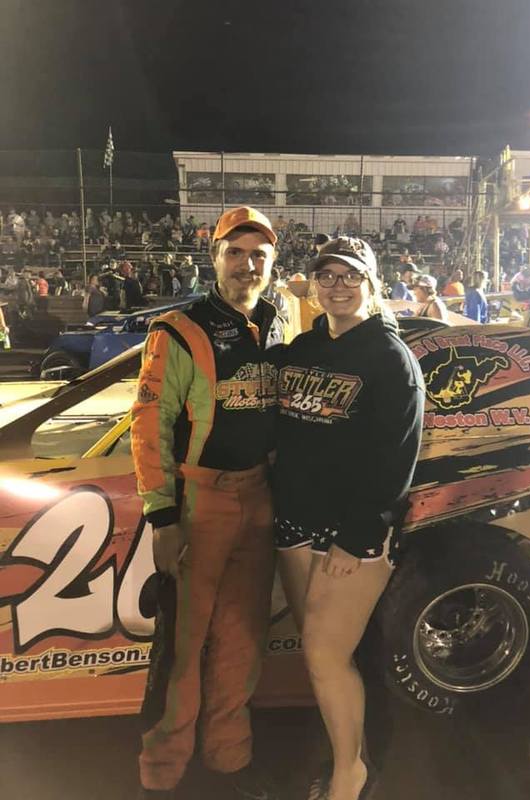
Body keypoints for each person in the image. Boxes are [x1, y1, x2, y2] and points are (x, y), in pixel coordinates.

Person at [130, 206, 285, 800]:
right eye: (235, 253)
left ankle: (229, 760)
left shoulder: (278, 321)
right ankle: (161, 772)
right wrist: (163, 515)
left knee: (242, 643)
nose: (248, 265)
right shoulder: (178, 328)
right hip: (199, 502)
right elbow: (149, 423)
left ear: (272, 264)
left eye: (259, 255)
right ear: (215, 258)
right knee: (183, 644)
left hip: (260, 498)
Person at [272, 236, 425, 800]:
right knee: (322, 657)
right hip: (294, 524)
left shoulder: (389, 357)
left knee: (324, 655)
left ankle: (349, 774)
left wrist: (357, 536)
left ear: (371, 283)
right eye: (327, 275)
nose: (338, 286)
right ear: (313, 284)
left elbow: (395, 460)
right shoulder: (304, 347)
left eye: (350, 276)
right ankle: (349, 751)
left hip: (349, 535)